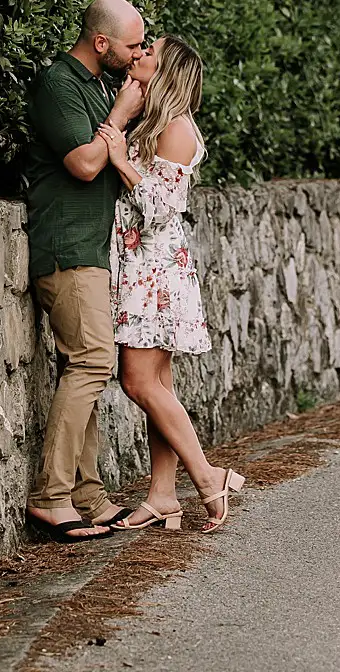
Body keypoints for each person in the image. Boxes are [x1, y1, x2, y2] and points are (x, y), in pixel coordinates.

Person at [96, 35, 245, 533]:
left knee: (138, 381)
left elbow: (163, 209)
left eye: (148, 53)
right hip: (142, 266)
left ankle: (208, 477)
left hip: (155, 271)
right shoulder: (152, 122)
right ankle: (162, 496)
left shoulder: (178, 130)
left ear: (167, 72)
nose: (137, 55)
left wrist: (120, 159)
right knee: (157, 385)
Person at [22, 0, 148, 542]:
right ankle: (51, 497)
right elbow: (83, 162)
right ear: (102, 43)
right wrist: (119, 116)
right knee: (93, 362)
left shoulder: (96, 84)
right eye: (132, 45)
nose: (137, 53)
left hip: (93, 248)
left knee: (85, 366)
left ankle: (88, 495)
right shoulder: (59, 84)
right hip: (66, 247)